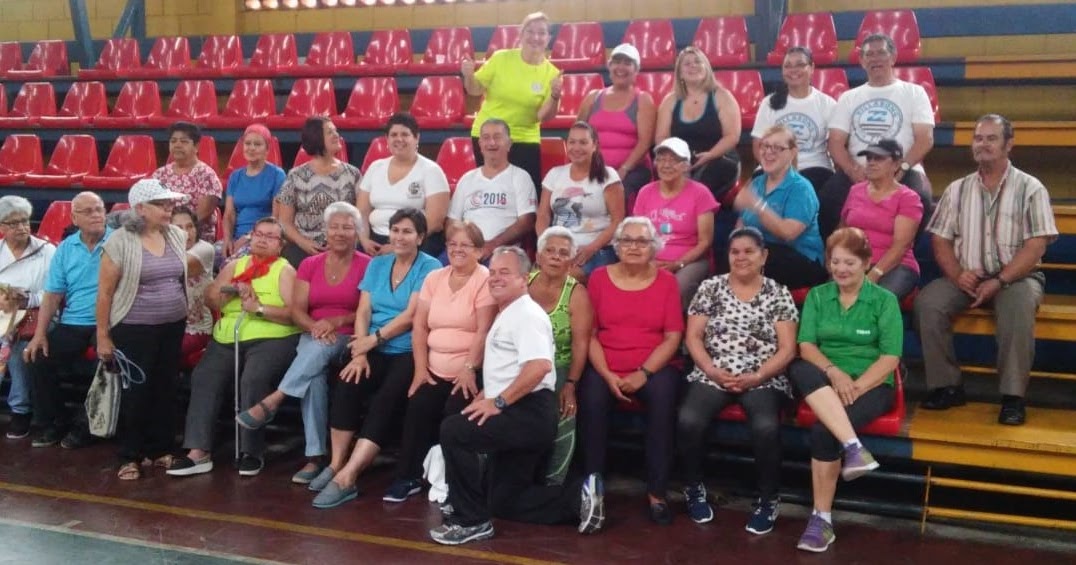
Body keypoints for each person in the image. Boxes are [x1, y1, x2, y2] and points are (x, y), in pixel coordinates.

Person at [430, 246, 605, 546]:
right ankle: (579, 499)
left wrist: (498, 402)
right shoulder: (510, 312)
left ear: (524, 278)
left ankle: (470, 521)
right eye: (493, 272)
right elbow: (511, 368)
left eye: (505, 273)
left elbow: (539, 367)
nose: (496, 278)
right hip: (522, 411)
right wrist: (488, 394)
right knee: (505, 500)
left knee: (455, 430)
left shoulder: (525, 314)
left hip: (528, 414)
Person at [315, 221, 495, 507]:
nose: (458, 250)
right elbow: (421, 327)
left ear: (480, 251)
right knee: (414, 404)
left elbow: (484, 330)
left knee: (447, 411)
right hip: (431, 366)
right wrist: (421, 370)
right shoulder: (437, 277)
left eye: (466, 245)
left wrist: (469, 369)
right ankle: (402, 476)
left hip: (466, 371)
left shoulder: (484, 279)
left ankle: (447, 481)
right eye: (453, 244)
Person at [915, 115, 1057, 425]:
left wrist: (1001, 279)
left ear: (1009, 144)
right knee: (928, 302)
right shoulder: (957, 189)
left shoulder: (1031, 188)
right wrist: (956, 275)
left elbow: (1036, 247)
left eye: (991, 138)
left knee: (1018, 309)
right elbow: (940, 240)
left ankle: (1013, 397)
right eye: (978, 138)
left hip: (1016, 277)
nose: (983, 144)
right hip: (966, 275)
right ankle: (947, 386)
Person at [306, 209, 440, 507]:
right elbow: (364, 310)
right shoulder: (378, 264)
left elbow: (410, 316)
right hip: (371, 345)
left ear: (420, 237)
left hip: (407, 349)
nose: (399, 237)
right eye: (395, 230)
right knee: (347, 384)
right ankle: (336, 463)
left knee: (386, 399)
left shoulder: (429, 267)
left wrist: (372, 340)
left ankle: (349, 476)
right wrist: (361, 351)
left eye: (407, 232)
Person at [234, 203, 371, 483]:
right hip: (312, 335)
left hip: (349, 336)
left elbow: (369, 309)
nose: (340, 232)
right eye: (334, 226)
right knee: (314, 377)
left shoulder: (368, 265)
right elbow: (297, 310)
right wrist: (315, 326)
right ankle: (315, 457)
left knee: (316, 352)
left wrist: (334, 322)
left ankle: (275, 399)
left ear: (357, 231)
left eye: (347, 227)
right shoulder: (310, 264)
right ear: (325, 230)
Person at [677, 227, 797, 532]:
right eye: (735, 252)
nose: (741, 257)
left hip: (763, 374)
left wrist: (757, 375)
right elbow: (693, 337)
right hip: (713, 370)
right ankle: (693, 488)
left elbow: (787, 349)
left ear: (763, 255)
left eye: (749, 251)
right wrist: (712, 370)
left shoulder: (778, 292)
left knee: (766, 426)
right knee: (689, 419)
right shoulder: (710, 288)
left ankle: (768, 499)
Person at [789, 227, 900, 553]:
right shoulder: (818, 296)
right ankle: (854, 448)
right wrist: (835, 374)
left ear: (866, 262)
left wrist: (855, 386)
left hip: (872, 385)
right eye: (835, 262)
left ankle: (821, 521)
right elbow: (807, 346)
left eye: (849, 262)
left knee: (824, 432)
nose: (841, 269)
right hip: (824, 379)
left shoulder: (884, 300)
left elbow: (890, 357)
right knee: (798, 367)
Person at [167, 217, 301, 478]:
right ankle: (198, 451)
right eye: (258, 233)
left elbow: (295, 314)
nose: (261, 239)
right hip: (228, 337)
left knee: (254, 378)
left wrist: (258, 308)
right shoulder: (234, 265)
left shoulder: (285, 271)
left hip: (273, 337)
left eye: (270, 236)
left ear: (281, 244)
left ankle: (252, 451)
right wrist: (226, 294)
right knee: (204, 377)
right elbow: (210, 298)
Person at [578, 217, 684, 525]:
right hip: (606, 362)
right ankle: (592, 487)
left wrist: (644, 373)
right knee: (593, 400)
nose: (634, 247)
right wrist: (608, 374)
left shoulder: (667, 281)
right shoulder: (598, 278)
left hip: (654, 364)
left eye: (642, 241)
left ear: (654, 247)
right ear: (616, 246)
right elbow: (591, 334)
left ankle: (657, 493)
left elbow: (672, 337)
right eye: (627, 240)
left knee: (664, 401)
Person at [96, 179, 189, 481]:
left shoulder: (175, 234)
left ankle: (160, 448)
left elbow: (179, 277)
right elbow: (106, 293)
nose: (169, 208)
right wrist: (102, 335)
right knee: (137, 391)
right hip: (134, 327)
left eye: (169, 203)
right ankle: (130, 455)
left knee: (165, 387)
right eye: (161, 204)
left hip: (172, 325)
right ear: (140, 209)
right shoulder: (120, 241)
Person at [818, 33, 936, 240]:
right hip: (859, 169)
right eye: (869, 55)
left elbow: (925, 139)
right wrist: (852, 170)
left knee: (921, 197)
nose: (875, 59)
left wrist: (902, 168)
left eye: (881, 53)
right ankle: (835, 260)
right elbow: (835, 142)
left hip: (902, 168)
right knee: (828, 197)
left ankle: (905, 258)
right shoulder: (848, 97)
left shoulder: (915, 93)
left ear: (893, 57)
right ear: (862, 62)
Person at [26, 192, 110, 448]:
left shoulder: (118, 241)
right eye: (88, 211)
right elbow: (52, 296)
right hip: (73, 321)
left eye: (99, 209)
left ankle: (87, 426)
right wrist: (39, 334)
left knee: (106, 360)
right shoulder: (65, 248)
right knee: (38, 358)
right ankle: (55, 421)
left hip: (108, 322)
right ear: (74, 217)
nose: (96, 215)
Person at [461, 11, 562, 192]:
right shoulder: (500, 58)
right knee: (491, 190)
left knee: (527, 193)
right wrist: (468, 75)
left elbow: (542, 116)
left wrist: (555, 96)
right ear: (521, 35)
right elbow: (474, 89)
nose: (535, 37)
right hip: (489, 136)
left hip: (525, 138)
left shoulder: (552, 73)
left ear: (549, 38)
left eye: (541, 33)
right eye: (530, 32)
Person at [528, 227, 593, 484]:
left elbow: (580, 344)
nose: (556, 257)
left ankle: (554, 481)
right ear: (539, 256)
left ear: (571, 261)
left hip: (559, 365)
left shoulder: (577, 293)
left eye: (563, 253)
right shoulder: (523, 283)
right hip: (523, 364)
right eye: (550, 251)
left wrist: (571, 383)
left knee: (564, 408)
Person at [733, 125, 827, 288]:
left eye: (777, 148)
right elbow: (742, 221)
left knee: (757, 259)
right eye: (765, 146)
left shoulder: (801, 188)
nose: (769, 152)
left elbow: (788, 233)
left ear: (792, 152)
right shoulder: (757, 182)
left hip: (800, 259)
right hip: (761, 254)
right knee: (733, 256)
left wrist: (758, 206)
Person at [632, 137, 718, 310]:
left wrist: (678, 263)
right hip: (651, 258)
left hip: (690, 261)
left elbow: (705, 242)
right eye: (661, 159)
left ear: (686, 165)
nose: (666, 165)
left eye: (673, 160)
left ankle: (675, 334)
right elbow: (637, 234)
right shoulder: (645, 192)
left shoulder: (701, 193)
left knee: (673, 288)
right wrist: (648, 260)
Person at [536, 122, 625, 279]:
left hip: (596, 249)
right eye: (572, 142)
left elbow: (618, 221)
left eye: (583, 142)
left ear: (594, 145)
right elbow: (543, 215)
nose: (576, 148)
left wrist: (591, 248)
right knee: (535, 279)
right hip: (559, 249)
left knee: (564, 277)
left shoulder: (608, 175)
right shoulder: (554, 174)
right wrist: (545, 245)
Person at [656, 46, 742, 205]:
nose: (693, 66)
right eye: (687, 64)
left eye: (697, 62)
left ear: (706, 68)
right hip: (681, 160)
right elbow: (662, 137)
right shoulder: (670, 101)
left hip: (718, 158)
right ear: (680, 73)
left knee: (697, 189)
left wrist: (709, 155)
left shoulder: (722, 96)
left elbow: (732, 136)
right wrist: (675, 161)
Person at [0, 196, 56, 439]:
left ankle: (20, 410)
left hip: (37, 316)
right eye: (13, 223)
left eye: (24, 221)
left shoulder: (47, 251)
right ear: (1, 227)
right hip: (3, 314)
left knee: (16, 350)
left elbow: (54, 292)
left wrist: (26, 300)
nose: (21, 227)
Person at [839, 139, 923, 299]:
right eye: (869, 158)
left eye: (878, 158)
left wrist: (873, 275)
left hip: (896, 266)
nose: (871, 163)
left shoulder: (908, 198)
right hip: (855, 263)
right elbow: (842, 230)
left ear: (896, 164)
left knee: (874, 300)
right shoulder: (855, 191)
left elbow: (901, 246)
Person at [358, 113, 450, 258]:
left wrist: (398, 245)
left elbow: (435, 222)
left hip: (415, 242)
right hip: (374, 241)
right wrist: (363, 240)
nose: (399, 139)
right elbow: (362, 211)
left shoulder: (432, 171)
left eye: (405, 134)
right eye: (393, 135)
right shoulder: (375, 167)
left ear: (416, 138)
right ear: (387, 139)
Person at [277, 116, 362, 267]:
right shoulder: (296, 175)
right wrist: (304, 243)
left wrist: (344, 242)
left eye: (336, 131)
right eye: (330, 132)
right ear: (316, 137)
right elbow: (284, 221)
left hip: (343, 244)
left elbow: (360, 216)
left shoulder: (352, 174)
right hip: (303, 246)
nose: (337, 136)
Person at [447, 119, 537, 261]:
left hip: (502, 251)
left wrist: (492, 245)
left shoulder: (521, 177)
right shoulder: (467, 179)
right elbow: (452, 221)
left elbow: (526, 222)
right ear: (480, 145)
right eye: (486, 138)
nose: (492, 143)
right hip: (464, 249)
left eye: (497, 137)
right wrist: (460, 245)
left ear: (509, 144)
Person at [751, 46, 836, 192]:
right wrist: (774, 168)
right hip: (774, 166)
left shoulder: (827, 104)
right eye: (787, 66)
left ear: (812, 68)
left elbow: (836, 145)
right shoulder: (769, 102)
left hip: (814, 167)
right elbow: (757, 144)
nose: (793, 70)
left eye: (800, 65)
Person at [577, 43, 656, 198]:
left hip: (631, 171)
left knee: (616, 193)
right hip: (593, 169)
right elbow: (577, 134)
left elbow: (645, 142)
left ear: (636, 70)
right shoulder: (593, 97)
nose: (621, 67)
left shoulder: (643, 100)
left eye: (627, 63)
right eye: (617, 62)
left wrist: (624, 170)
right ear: (609, 66)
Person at [221, 123, 286, 257]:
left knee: (233, 263)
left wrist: (249, 238)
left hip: (262, 239)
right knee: (210, 255)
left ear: (267, 149)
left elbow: (275, 218)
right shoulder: (235, 176)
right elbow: (229, 215)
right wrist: (227, 240)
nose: (251, 148)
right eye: (248, 143)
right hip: (236, 238)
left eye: (257, 144)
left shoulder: (277, 175)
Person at [152, 121, 224, 242]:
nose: (177, 145)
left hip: (195, 237)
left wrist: (176, 231)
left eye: (184, 141)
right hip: (163, 233)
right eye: (173, 141)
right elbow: (153, 207)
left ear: (196, 146)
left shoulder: (206, 174)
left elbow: (201, 215)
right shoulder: (160, 174)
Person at [171, 205, 216, 360]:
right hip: (167, 325)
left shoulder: (204, 249)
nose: (186, 233)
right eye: (178, 228)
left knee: (159, 351)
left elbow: (174, 268)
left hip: (195, 328)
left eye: (190, 226)